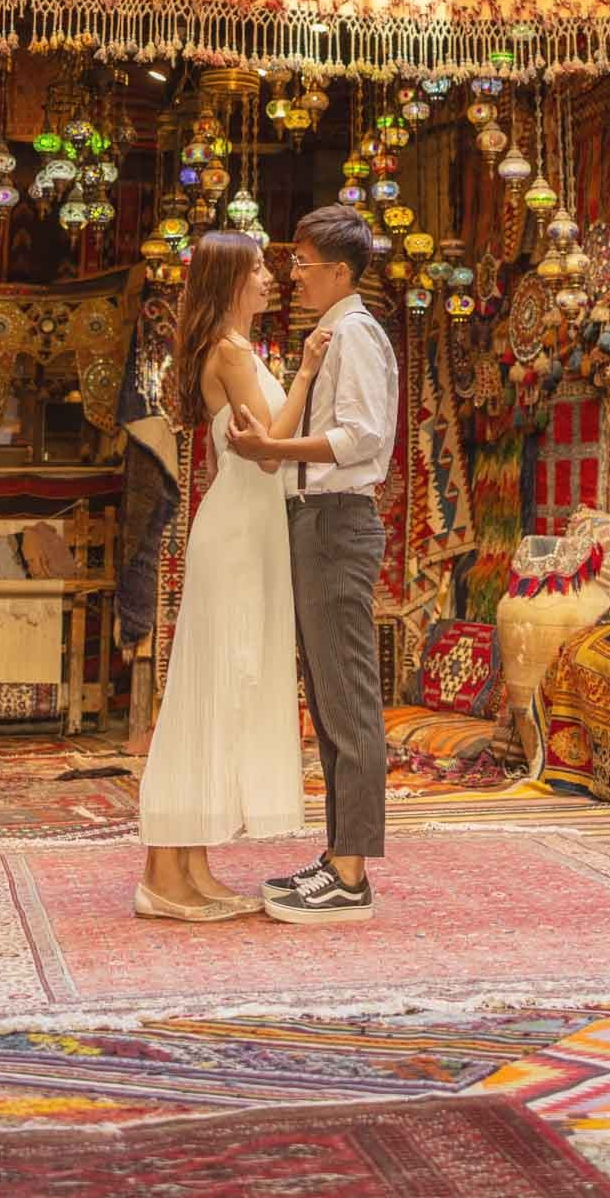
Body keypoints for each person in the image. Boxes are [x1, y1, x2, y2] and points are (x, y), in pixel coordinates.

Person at [133, 228, 333, 922]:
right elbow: (271, 452)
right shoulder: (231, 350)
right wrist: (306, 371)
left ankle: (189, 865)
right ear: (229, 282)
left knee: (223, 688)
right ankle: (163, 873)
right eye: (257, 271)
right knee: (210, 688)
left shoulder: (233, 350)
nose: (270, 280)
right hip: (240, 535)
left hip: (249, 530)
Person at [226, 200, 397, 925]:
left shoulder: (355, 334)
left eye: (300, 263)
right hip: (313, 522)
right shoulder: (328, 336)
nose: (292, 275)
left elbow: (359, 439)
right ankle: (337, 858)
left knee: (347, 695)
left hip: (334, 520)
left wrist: (272, 452)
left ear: (337, 270)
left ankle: (352, 873)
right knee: (327, 697)